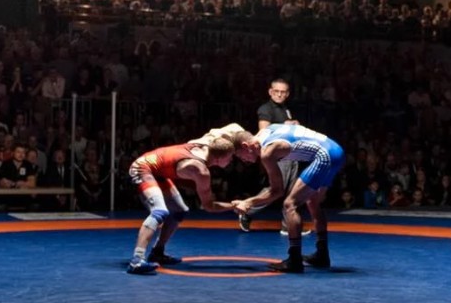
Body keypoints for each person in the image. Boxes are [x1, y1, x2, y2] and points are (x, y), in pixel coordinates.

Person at [233, 123, 344, 273]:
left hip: (325, 156)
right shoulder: (267, 130)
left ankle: (294, 259)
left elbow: (277, 191)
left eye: (241, 156)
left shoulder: (267, 152)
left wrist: (248, 202)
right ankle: (322, 254)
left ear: (246, 146)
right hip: (336, 151)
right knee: (313, 201)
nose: (244, 161)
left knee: (289, 204)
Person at [126, 138, 239, 275]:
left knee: (180, 211)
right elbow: (208, 206)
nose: (231, 160)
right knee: (159, 211)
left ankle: (157, 252)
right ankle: (136, 260)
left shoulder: (204, 145)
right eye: (230, 157)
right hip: (143, 168)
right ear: (219, 158)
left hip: (158, 172)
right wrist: (234, 206)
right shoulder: (200, 171)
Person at [239, 79, 303, 235]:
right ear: (270, 92)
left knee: (290, 191)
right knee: (277, 190)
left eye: (283, 92)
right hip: (277, 156)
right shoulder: (266, 109)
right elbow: (263, 132)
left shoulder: (285, 109)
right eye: (277, 91)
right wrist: (286, 126)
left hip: (290, 153)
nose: (280, 94)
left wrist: (294, 125)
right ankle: (247, 210)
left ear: (287, 94)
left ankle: (288, 225)